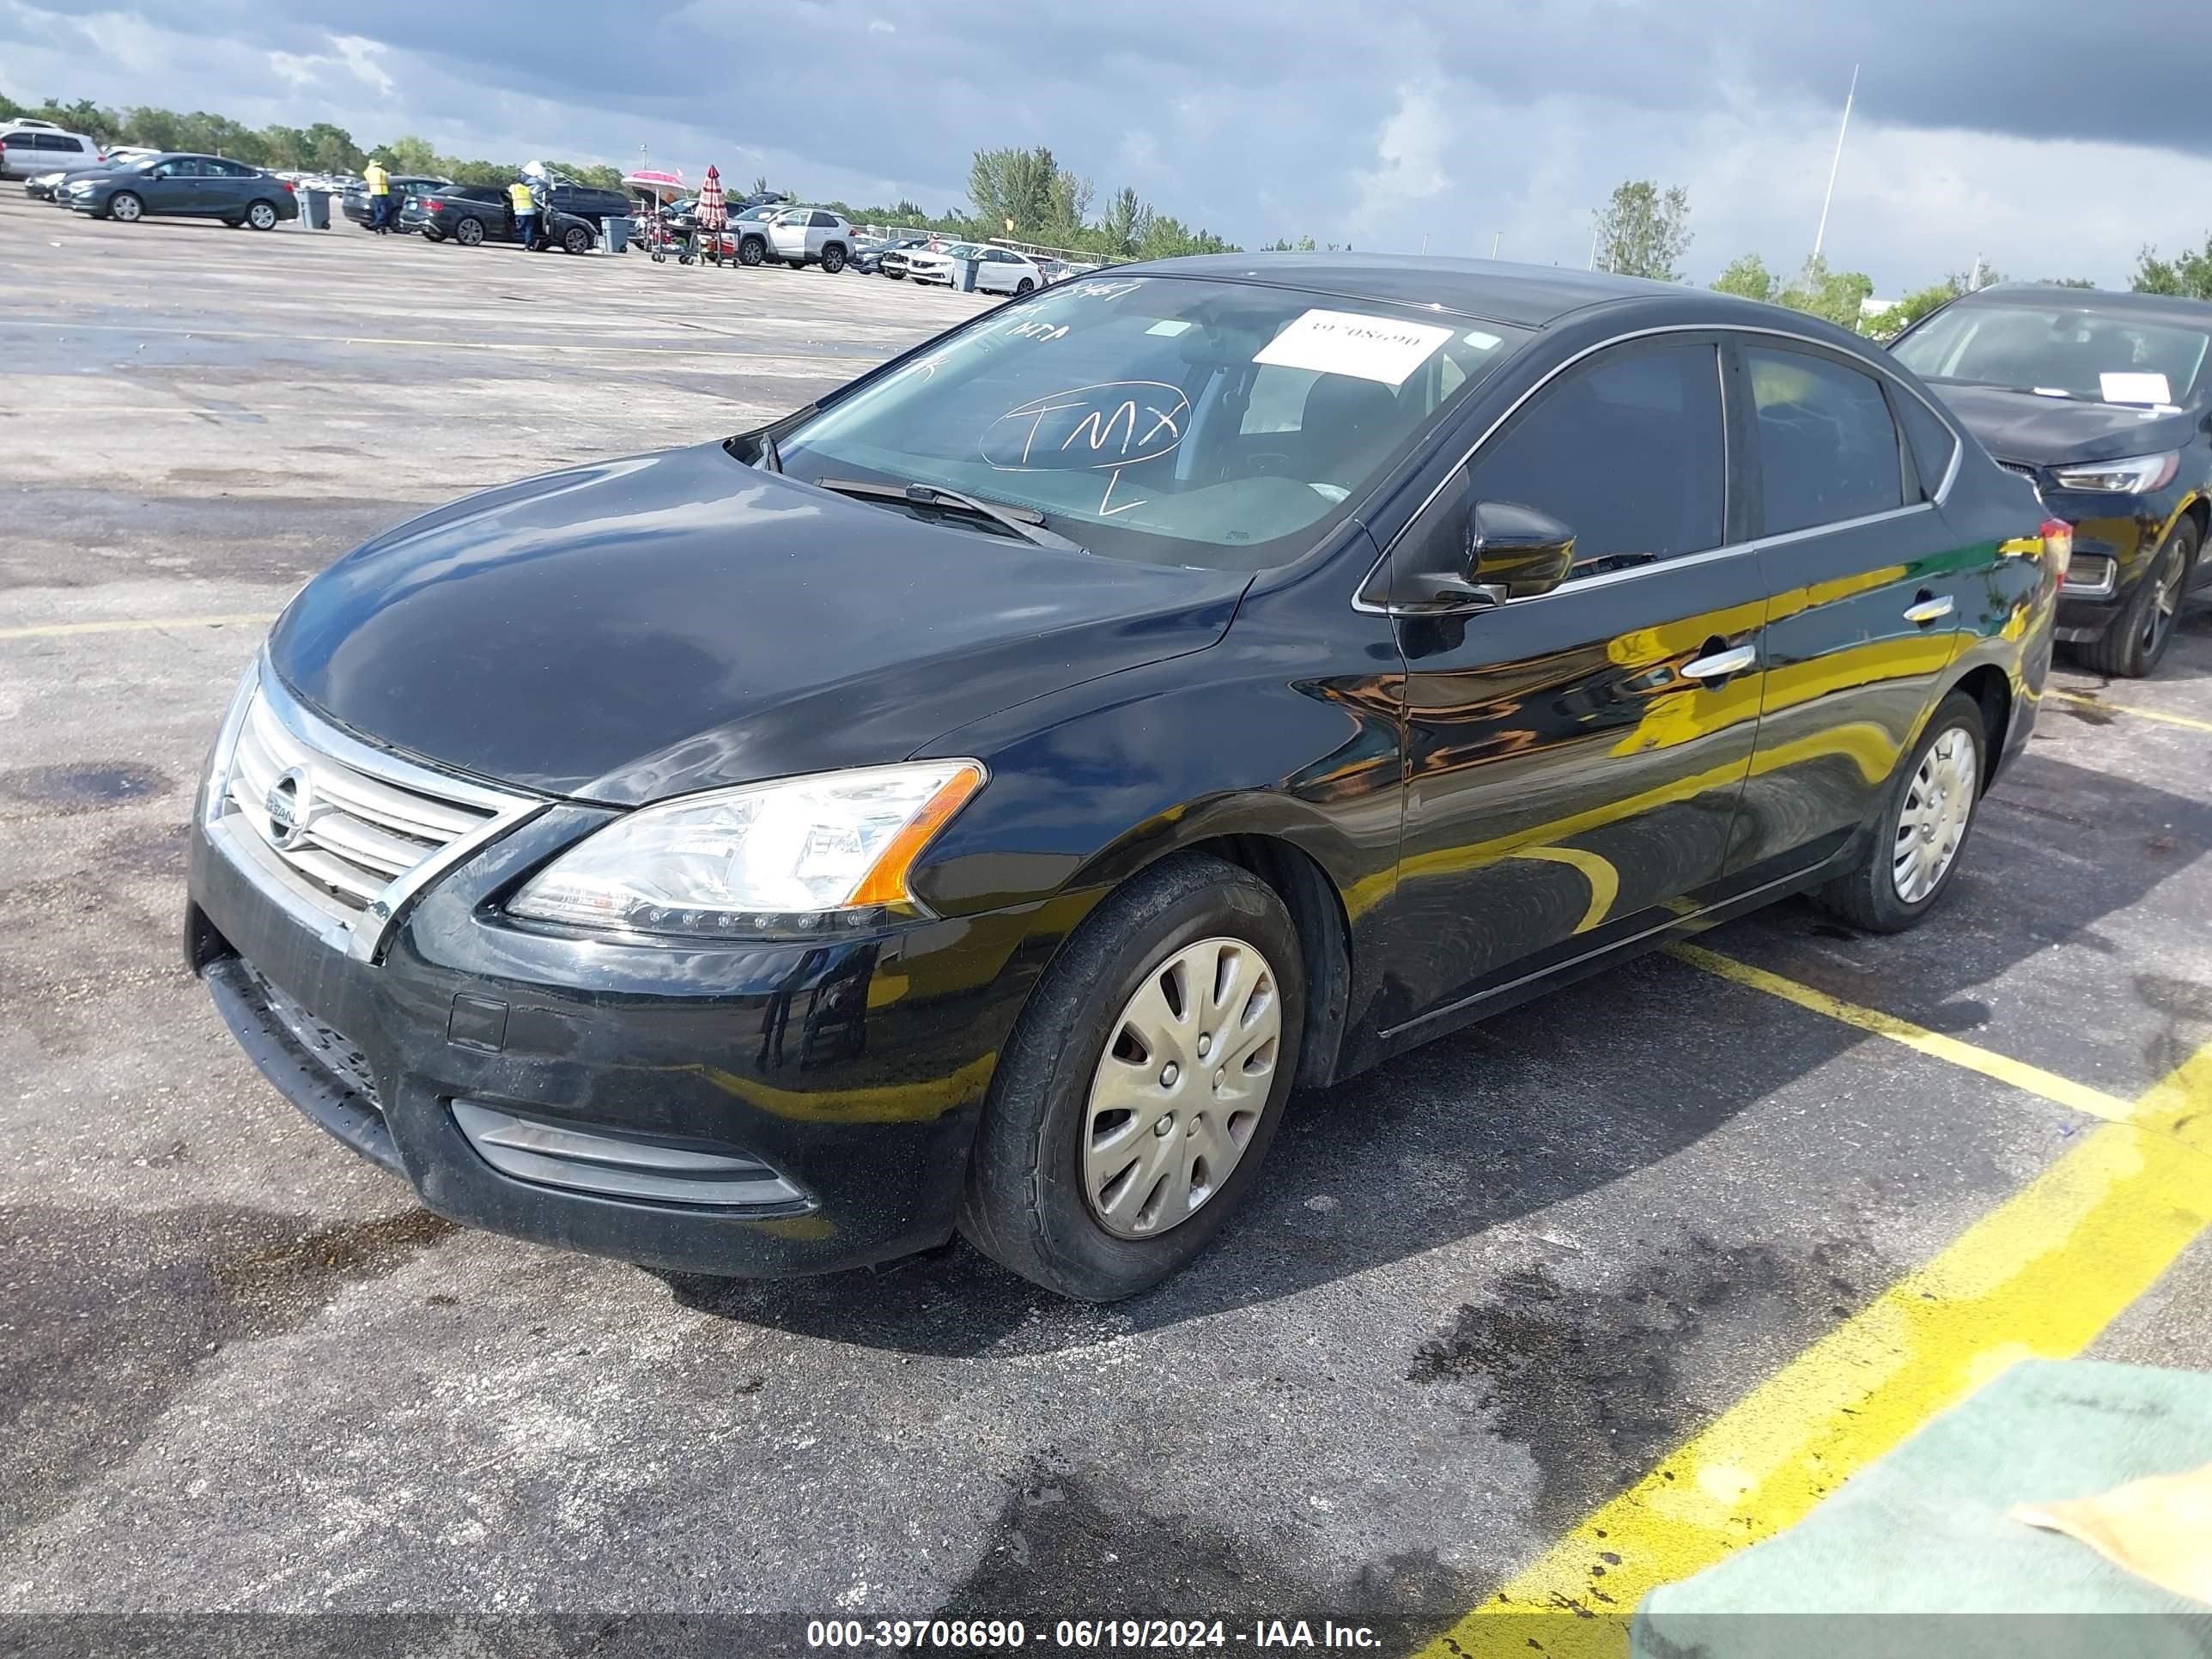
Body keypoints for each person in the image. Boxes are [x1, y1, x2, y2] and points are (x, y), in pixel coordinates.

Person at [509, 174, 538, 251]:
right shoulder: (527, 189)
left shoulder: (513, 187)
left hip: (520, 211)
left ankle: (532, 242)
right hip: (531, 211)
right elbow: (532, 199)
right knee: (529, 229)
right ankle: (528, 245)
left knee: (520, 228)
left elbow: (509, 191)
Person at [363, 156, 391, 234]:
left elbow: (368, 180)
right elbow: (387, 178)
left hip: (373, 192)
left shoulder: (367, 172)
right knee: (384, 210)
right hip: (382, 192)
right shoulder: (380, 170)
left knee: (377, 210)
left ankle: (380, 227)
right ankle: (377, 223)